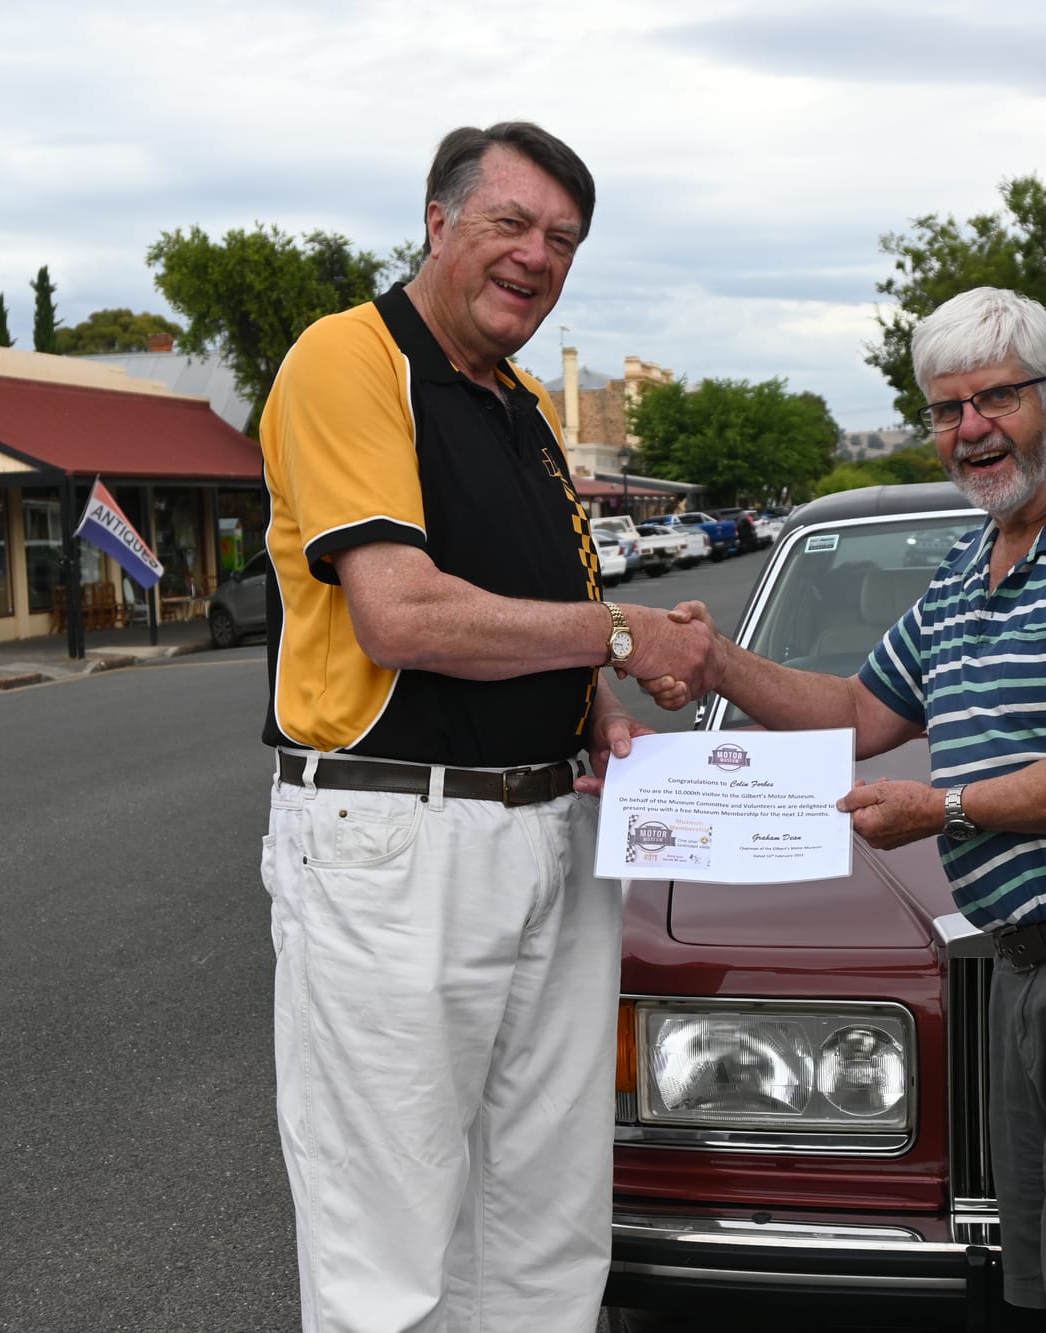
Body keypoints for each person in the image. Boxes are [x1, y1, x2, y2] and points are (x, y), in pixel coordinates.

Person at [649, 287, 1046, 1333]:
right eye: (945, 407)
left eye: (995, 398)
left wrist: (946, 806)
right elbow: (850, 711)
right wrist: (713, 660)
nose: (969, 428)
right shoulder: (969, 568)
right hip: (1028, 964)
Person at [255, 122, 716, 1333]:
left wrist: (597, 703)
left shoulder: (514, 403)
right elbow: (399, 615)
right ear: (438, 220)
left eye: (561, 239)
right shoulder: (349, 359)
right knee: (388, 1241)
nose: (536, 255)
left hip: (546, 828)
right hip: (399, 833)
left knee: (544, 1227)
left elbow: (540, 602)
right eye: (511, 223)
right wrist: (617, 635)